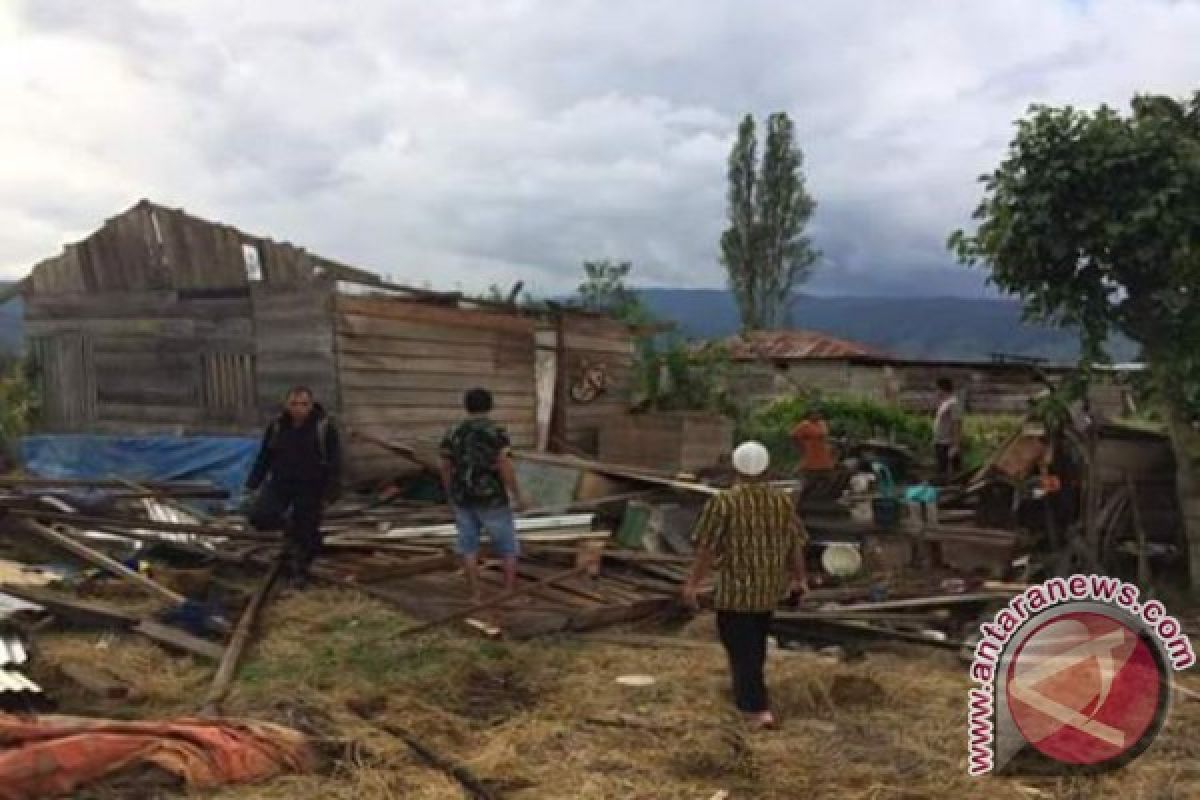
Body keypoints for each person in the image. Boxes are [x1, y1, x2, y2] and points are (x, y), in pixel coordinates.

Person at [682, 441, 808, 730]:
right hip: (767, 590)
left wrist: (692, 584)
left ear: (735, 468)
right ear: (766, 469)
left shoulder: (723, 502)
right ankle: (751, 701)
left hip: (735, 593)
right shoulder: (782, 502)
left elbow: (707, 548)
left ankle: (756, 709)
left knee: (741, 651)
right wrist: (800, 579)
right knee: (755, 647)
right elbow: (795, 544)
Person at [245, 386, 342, 587]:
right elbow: (265, 456)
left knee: (306, 529)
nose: (299, 408)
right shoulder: (278, 426)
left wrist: (331, 491)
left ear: (311, 405)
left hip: (311, 486)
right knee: (261, 515)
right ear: (286, 405)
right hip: (281, 482)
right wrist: (253, 483)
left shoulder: (323, 427)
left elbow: (335, 461)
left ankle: (301, 571)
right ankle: (291, 533)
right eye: (294, 404)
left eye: (304, 404)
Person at [440, 388, 527, 601]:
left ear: (466, 405)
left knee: (468, 547)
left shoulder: (453, 432)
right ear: (490, 405)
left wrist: (450, 493)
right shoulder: (497, 431)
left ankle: (475, 594)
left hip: (463, 497)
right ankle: (508, 592)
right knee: (507, 546)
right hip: (492, 498)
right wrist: (517, 494)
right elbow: (504, 464)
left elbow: (444, 466)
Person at [933, 377, 963, 483]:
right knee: (941, 470)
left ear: (942, 389)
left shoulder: (954, 403)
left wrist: (955, 445)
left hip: (948, 443)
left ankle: (954, 492)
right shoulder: (944, 403)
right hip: (940, 442)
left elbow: (957, 424)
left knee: (952, 472)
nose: (936, 392)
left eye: (937, 389)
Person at [790, 407, 835, 472]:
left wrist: (830, 441)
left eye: (818, 414)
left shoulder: (822, 423)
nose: (817, 415)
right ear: (809, 415)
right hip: (811, 449)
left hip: (823, 449)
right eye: (814, 414)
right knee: (810, 467)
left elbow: (825, 435)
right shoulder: (804, 425)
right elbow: (793, 436)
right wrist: (800, 447)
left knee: (826, 467)